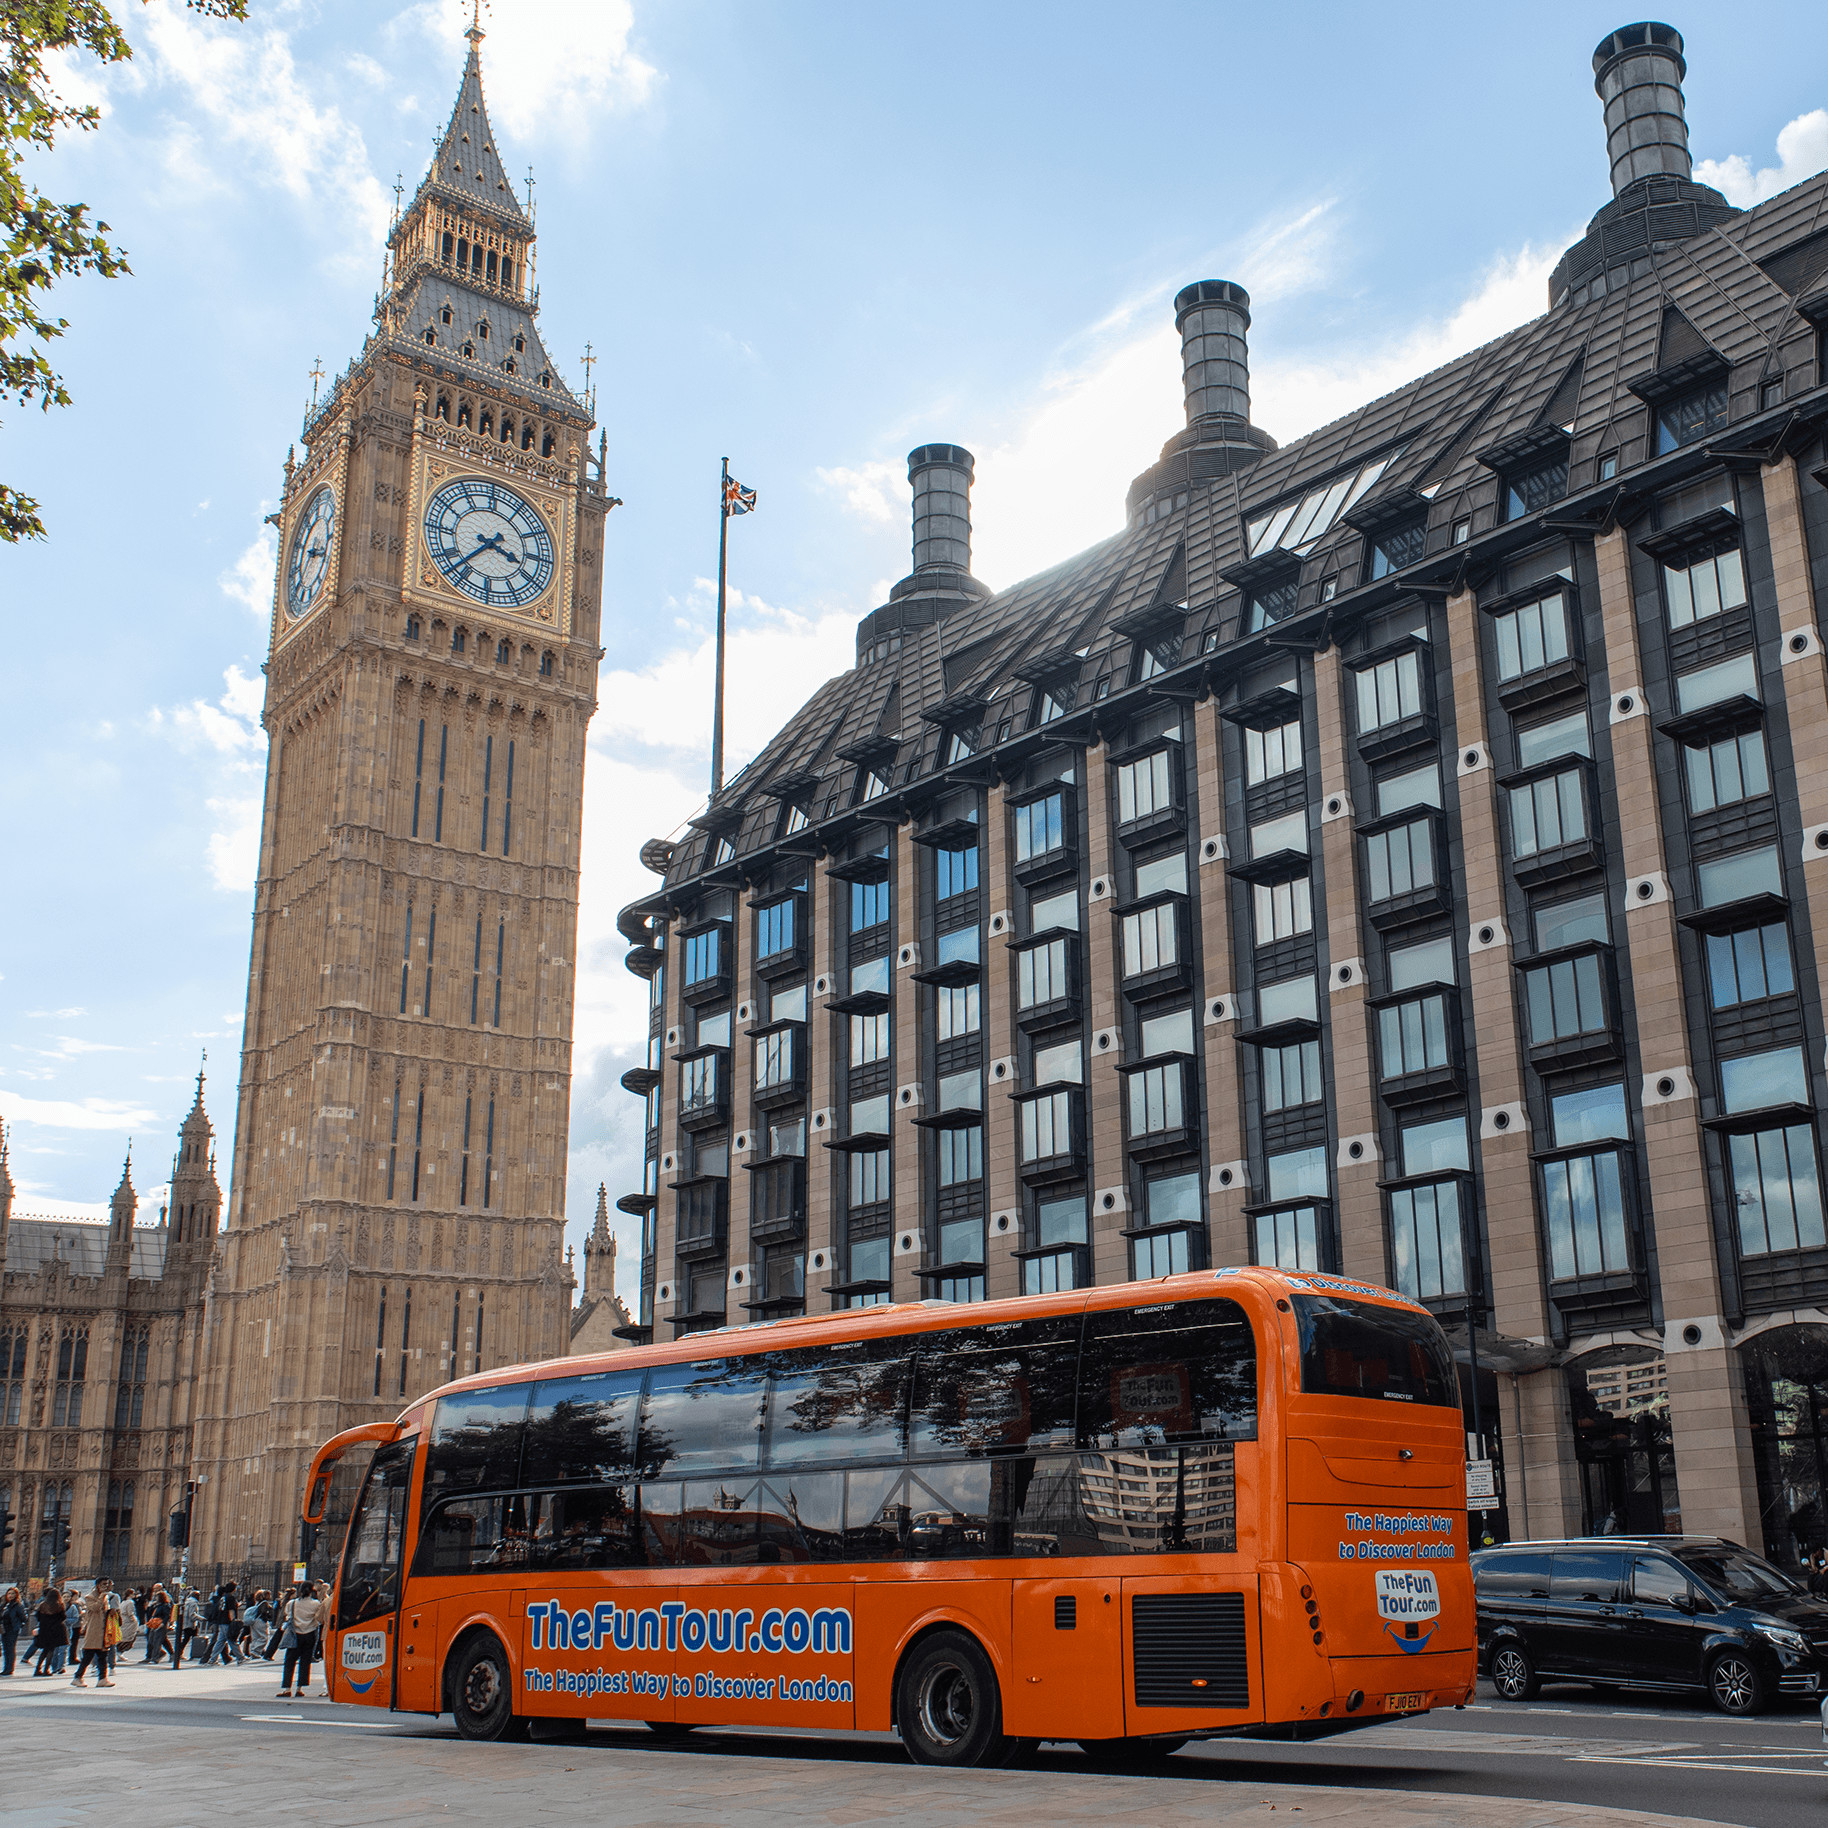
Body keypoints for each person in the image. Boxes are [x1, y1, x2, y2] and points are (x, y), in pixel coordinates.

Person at [278, 1582, 324, 1699]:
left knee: (289, 1661)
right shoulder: (315, 1603)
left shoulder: (292, 1603)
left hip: (295, 1634)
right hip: (309, 1635)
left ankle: (287, 1688)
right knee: (305, 1661)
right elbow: (319, 1618)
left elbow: (287, 1616)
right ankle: (300, 1688)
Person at [70, 1581, 115, 1687]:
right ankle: (77, 1677)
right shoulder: (89, 1597)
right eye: (103, 1584)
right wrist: (102, 1597)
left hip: (103, 1631)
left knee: (102, 1655)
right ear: (98, 1585)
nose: (106, 1587)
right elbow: (94, 1608)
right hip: (94, 1631)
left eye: (107, 1585)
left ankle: (102, 1679)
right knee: (88, 1656)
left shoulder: (105, 1597)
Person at [205, 1581, 243, 1666]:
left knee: (220, 1641)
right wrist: (233, 1621)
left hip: (221, 1621)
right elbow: (231, 1610)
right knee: (231, 1640)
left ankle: (213, 1659)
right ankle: (240, 1658)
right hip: (227, 1621)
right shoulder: (231, 1598)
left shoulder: (223, 1597)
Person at [31, 1588, 66, 1677]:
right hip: (55, 1630)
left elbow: (37, 1616)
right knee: (51, 1650)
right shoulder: (59, 1605)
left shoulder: (42, 1605)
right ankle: (46, 1669)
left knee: (44, 1651)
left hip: (44, 1630)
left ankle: (37, 1669)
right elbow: (62, 1617)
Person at [143, 1586, 173, 1665]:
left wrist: (163, 1624)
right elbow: (149, 1614)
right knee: (152, 1640)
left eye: (157, 1597)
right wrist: (149, 1607)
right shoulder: (156, 1606)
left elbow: (167, 1616)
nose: (155, 1598)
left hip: (160, 1625)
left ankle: (155, 1658)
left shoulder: (165, 1606)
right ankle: (161, 1653)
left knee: (157, 1641)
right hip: (154, 1624)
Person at [1, 1587, 26, 1677]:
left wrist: (18, 1626)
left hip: (12, 1629)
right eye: (9, 1594)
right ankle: (5, 1667)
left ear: (16, 1595)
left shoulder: (17, 1605)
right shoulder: (4, 1605)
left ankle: (9, 1668)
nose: (10, 1596)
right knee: (5, 1649)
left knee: (11, 1648)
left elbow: (23, 1618)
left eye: (12, 1594)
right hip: (4, 1629)